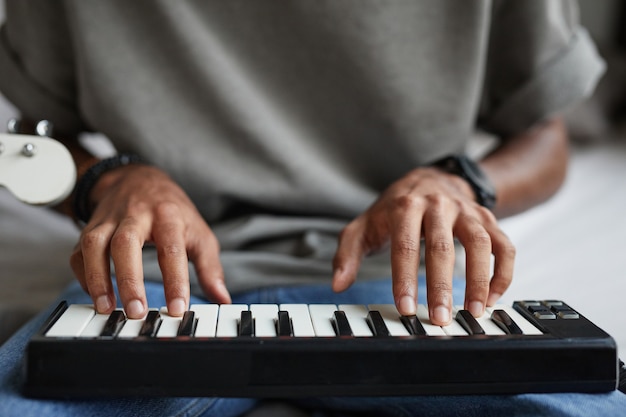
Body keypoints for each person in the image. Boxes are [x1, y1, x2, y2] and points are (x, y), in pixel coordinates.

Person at [0, 1, 624, 416]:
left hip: (401, 285)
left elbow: (547, 137)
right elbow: (32, 141)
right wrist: (111, 181)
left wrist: (457, 181)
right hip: (152, 277)